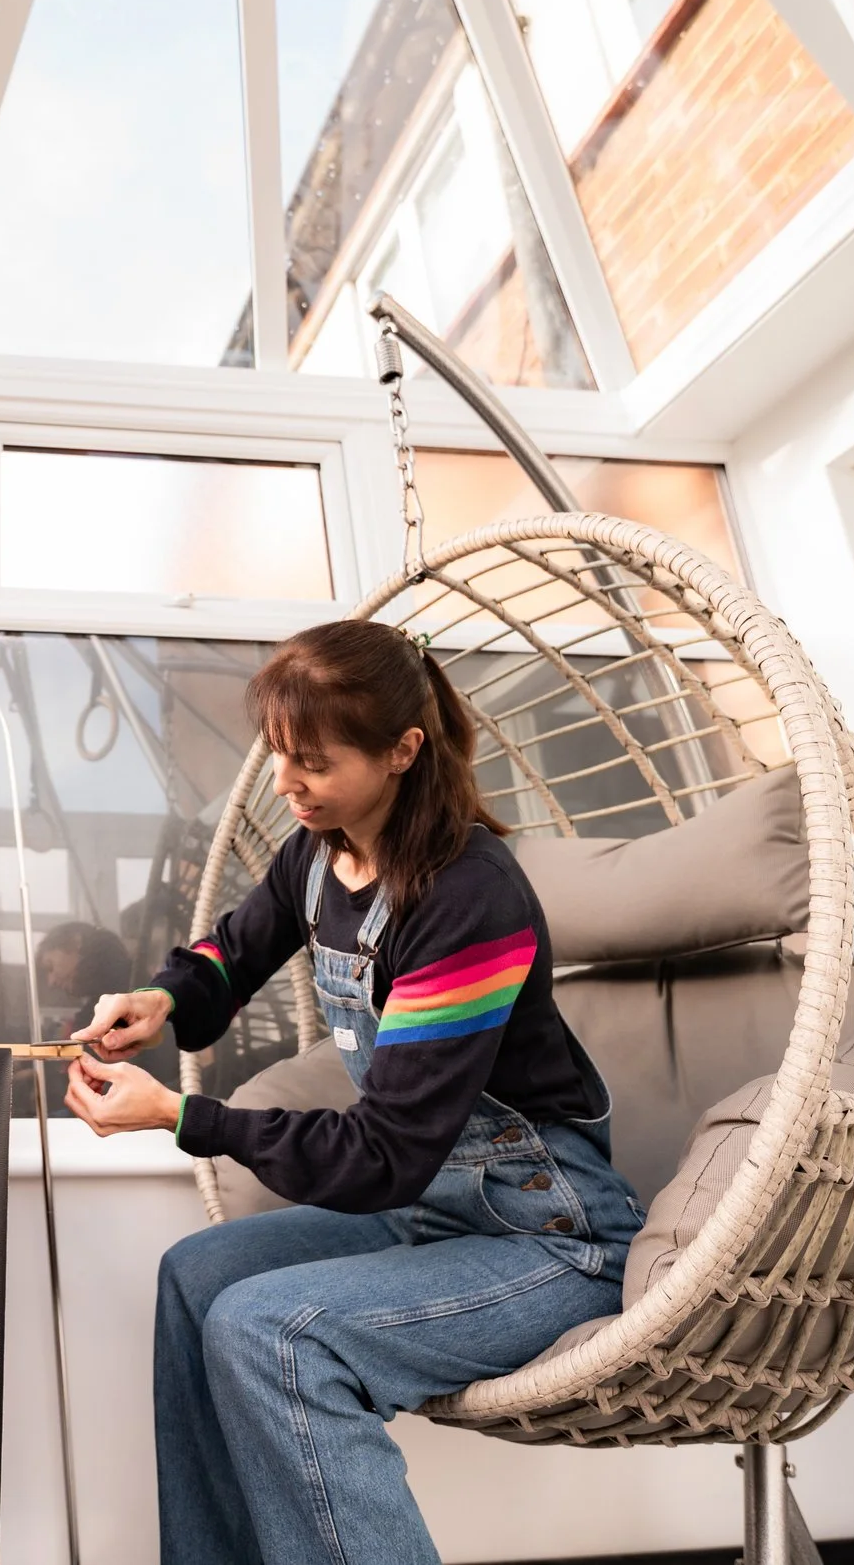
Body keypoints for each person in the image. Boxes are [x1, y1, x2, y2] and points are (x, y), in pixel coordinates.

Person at [59, 620, 642, 1564]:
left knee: (272, 1333)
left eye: (314, 762)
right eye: (278, 754)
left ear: (402, 751)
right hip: (428, 1214)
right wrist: (161, 1000)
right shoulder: (317, 853)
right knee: (197, 1279)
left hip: (547, 1239)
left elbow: (384, 1153)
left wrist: (178, 1115)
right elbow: (232, 950)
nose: (284, 783)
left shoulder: (468, 902)